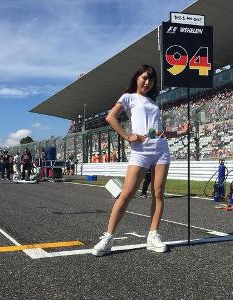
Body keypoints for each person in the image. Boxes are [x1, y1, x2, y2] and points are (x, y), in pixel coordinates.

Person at [92, 64, 189, 256]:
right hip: (140, 152)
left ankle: (153, 236)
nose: (147, 82)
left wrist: (180, 132)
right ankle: (108, 237)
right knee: (126, 194)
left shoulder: (153, 102)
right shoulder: (128, 97)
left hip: (161, 150)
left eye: (150, 79)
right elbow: (110, 117)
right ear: (137, 77)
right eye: (144, 77)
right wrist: (127, 136)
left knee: (158, 194)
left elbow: (155, 132)